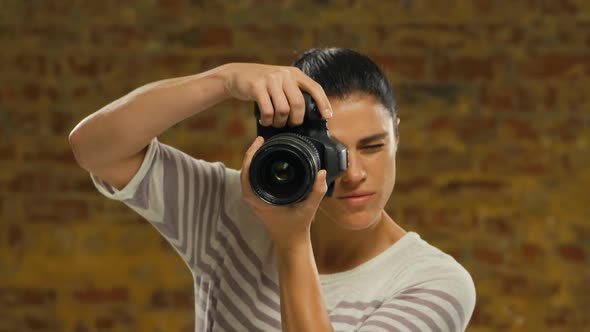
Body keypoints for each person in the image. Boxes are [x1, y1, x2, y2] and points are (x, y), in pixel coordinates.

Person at [69, 47, 476, 332]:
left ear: (397, 137)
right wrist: (222, 79)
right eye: (331, 151)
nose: (353, 174)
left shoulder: (432, 282)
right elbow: (94, 149)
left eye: (373, 147)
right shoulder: (233, 210)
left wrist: (292, 243)